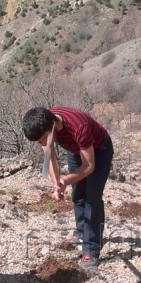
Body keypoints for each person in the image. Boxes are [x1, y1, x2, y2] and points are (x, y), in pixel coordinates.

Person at [22, 107, 114, 269]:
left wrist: (65, 180)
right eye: (39, 141)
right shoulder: (44, 125)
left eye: (44, 139)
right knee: (78, 194)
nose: (42, 143)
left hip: (99, 150)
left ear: (52, 126)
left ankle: (91, 249)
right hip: (76, 150)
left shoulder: (79, 127)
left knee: (92, 198)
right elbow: (50, 158)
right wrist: (56, 184)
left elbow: (89, 166)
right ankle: (81, 231)